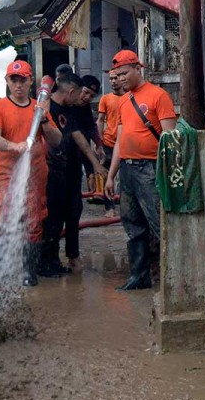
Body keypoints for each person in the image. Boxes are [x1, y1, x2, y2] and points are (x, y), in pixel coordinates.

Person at [104, 50, 176, 290]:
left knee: (160, 224)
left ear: (138, 68)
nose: (121, 78)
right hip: (127, 168)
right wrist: (111, 175)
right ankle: (139, 276)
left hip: (150, 168)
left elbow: (170, 137)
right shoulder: (124, 101)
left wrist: (167, 172)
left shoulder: (158, 96)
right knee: (132, 224)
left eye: (124, 73)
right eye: (117, 75)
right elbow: (119, 140)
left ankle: (173, 279)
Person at [0, 60, 62, 286]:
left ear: (30, 82)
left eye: (23, 80)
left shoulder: (38, 109)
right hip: (7, 174)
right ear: (7, 81)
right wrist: (15, 146)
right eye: (13, 80)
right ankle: (0, 271)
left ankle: (29, 273)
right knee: (3, 218)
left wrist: (45, 119)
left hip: (36, 175)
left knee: (34, 222)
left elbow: (56, 141)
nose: (18, 85)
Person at [40, 72, 107, 275]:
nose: (81, 99)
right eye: (79, 94)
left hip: (70, 168)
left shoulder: (69, 109)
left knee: (73, 211)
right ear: (70, 91)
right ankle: (47, 262)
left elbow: (78, 136)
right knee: (52, 216)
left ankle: (70, 257)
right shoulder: (45, 108)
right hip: (50, 170)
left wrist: (95, 163)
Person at [96, 69, 125, 217]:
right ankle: (109, 208)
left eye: (116, 78)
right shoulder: (105, 99)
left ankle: (127, 208)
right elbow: (100, 120)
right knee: (108, 177)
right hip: (108, 143)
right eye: (111, 79)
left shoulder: (129, 97)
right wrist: (99, 142)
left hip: (125, 144)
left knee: (126, 177)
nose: (113, 81)